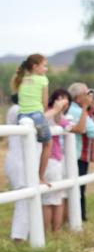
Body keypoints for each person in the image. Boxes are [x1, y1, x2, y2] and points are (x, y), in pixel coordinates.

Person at [10, 54, 52, 185]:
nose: (46, 69)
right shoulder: (43, 79)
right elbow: (45, 102)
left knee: (29, 144)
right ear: (35, 66)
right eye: (44, 66)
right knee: (47, 144)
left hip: (22, 116)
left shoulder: (22, 78)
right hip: (37, 115)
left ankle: (29, 175)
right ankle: (40, 176)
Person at [66, 83, 94, 221]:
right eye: (87, 94)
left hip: (68, 155)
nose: (90, 96)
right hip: (77, 155)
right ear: (78, 97)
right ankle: (79, 218)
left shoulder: (69, 109)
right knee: (79, 189)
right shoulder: (78, 111)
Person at [42, 89, 72, 232]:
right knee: (49, 199)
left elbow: (66, 125)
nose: (62, 101)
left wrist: (59, 110)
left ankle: (55, 231)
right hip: (49, 160)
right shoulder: (47, 113)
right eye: (59, 98)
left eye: (65, 99)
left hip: (55, 159)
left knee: (56, 197)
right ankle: (48, 231)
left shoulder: (59, 116)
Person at [5, 94, 29, 243]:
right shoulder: (18, 110)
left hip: (21, 160)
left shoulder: (17, 109)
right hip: (19, 161)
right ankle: (18, 237)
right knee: (23, 198)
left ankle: (23, 234)